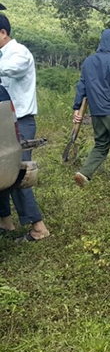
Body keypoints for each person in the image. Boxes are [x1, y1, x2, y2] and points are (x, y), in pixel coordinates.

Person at [0, 14, 51, 242]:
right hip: (4, 121)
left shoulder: (19, 53)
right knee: (1, 171)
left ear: (3, 32)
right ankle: (5, 221)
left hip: (20, 122)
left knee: (19, 173)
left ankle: (38, 228)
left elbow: (10, 69)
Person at [72, 29, 110, 187]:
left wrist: (77, 108)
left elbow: (82, 86)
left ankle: (84, 173)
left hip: (96, 112)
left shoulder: (88, 62)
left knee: (101, 144)